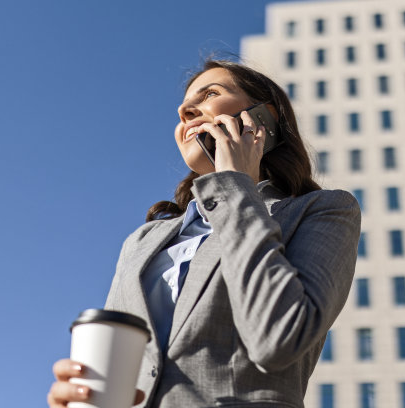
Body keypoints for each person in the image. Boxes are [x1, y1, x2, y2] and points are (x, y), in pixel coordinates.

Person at [48, 59, 361, 408]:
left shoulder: (323, 210)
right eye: (182, 105)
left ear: (264, 119)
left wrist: (233, 185)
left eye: (211, 93)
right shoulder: (143, 240)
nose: (184, 109)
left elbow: (278, 339)